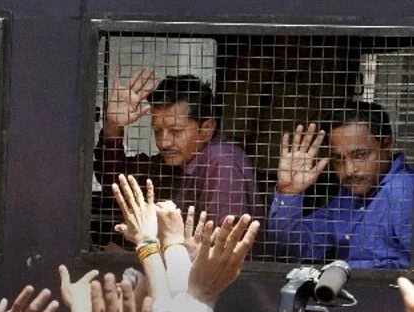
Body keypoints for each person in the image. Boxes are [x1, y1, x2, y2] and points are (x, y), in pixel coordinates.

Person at [95, 70, 262, 248]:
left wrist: (146, 255)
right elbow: (116, 183)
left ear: (207, 129)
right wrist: (114, 126)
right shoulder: (179, 159)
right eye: (157, 131)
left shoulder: (222, 162)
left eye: (176, 131)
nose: (164, 142)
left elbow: (219, 249)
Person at [268, 100, 414, 268]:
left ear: (387, 146)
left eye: (360, 155)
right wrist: (289, 192)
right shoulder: (347, 197)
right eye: (339, 159)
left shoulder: (404, 191)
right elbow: (293, 250)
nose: (350, 170)